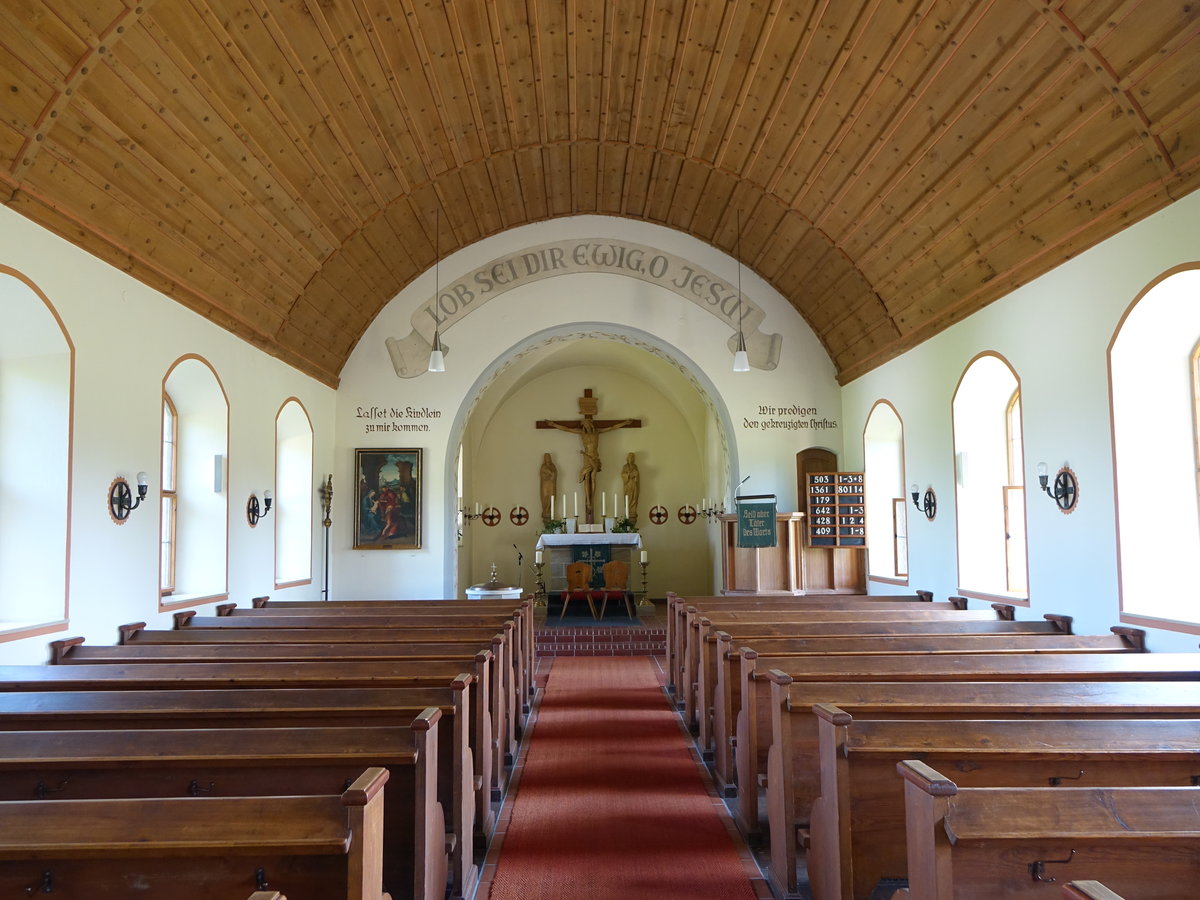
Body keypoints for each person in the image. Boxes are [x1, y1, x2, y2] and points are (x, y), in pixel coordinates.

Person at [545, 415, 632, 515]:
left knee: (593, 478)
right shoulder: (582, 433)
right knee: (587, 478)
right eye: (584, 425)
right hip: (586, 458)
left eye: (586, 424)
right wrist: (554, 424)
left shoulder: (597, 432)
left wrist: (625, 423)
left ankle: (592, 499)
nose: (585, 426)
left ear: (590, 424)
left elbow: (612, 428)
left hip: (595, 457)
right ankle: (588, 501)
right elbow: (566, 429)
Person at [621, 452, 640, 522]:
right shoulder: (625, 466)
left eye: (632, 458)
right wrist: (628, 475)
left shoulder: (635, 467)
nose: (631, 459)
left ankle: (632, 511)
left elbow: (637, 477)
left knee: (634, 497)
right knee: (628, 498)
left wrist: (636, 476)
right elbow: (623, 475)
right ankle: (628, 511)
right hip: (628, 485)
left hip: (634, 485)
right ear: (627, 459)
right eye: (630, 458)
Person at [539, 453, 558, 522]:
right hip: (545, 485)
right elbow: (542, 475)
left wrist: (553, 475)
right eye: (546, 457)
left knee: (552, 496)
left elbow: (555, 474)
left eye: (548, 457)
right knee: (545, 497)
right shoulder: (543, 466)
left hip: (552, 484)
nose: (548, 458)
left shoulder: (553, 466)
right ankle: (545, 510)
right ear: (544, 458)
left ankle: (550, 510)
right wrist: (548, 475)